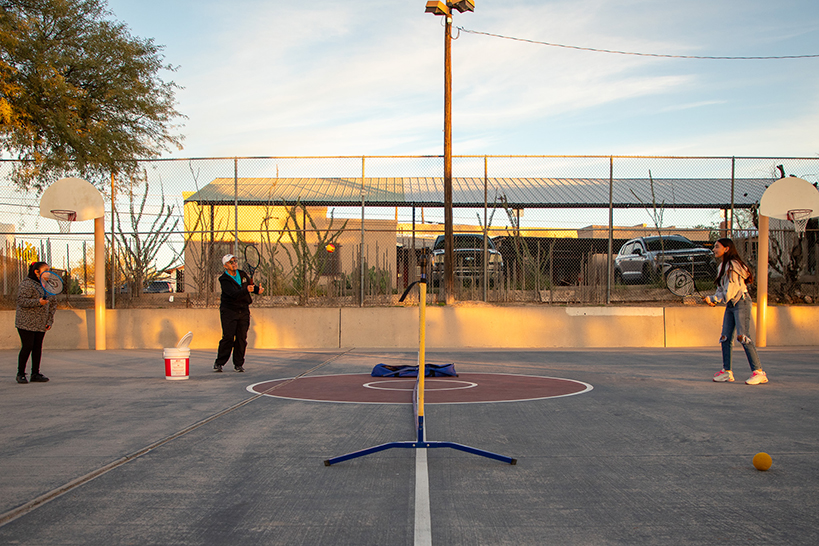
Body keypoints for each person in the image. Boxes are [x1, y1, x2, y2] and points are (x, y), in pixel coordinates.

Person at [704, 238, 767, 385]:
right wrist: (713, 298)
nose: (714, 249)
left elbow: (731, 290)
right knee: (725, 337)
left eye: (717, 247)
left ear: (726, 249)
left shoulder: (734, 265)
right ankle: (727, 372)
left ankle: (759, 372)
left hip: (741, 302)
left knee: (743, 336)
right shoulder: (722, 267)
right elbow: (721, 290)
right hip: (731, 304)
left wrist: (715, 298)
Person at [214, 254, 263, 373]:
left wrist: (257, 290)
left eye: (235, 261)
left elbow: (250, 287)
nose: (234, 263)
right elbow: (232, 294)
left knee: (242, 338)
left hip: (244, 310)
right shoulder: (224, 279)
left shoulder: (242, 274)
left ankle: (239, 364)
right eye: (231, 262)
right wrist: (246, 290)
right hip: (229, 311)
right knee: (228, 337)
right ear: (226, 266)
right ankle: (219, 362)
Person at [15, 261, 57, 384]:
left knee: (37, 347)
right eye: (46, 270)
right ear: (36, 272)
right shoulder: (27, 284)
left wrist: (49, 320)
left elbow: (53, 303)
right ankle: (21, 373)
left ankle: (35, 373)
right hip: (26, 323)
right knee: (27, 346)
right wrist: (38, 302)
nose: (48, 273)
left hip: (41, 322)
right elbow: (21, 301)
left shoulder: (47, 286)